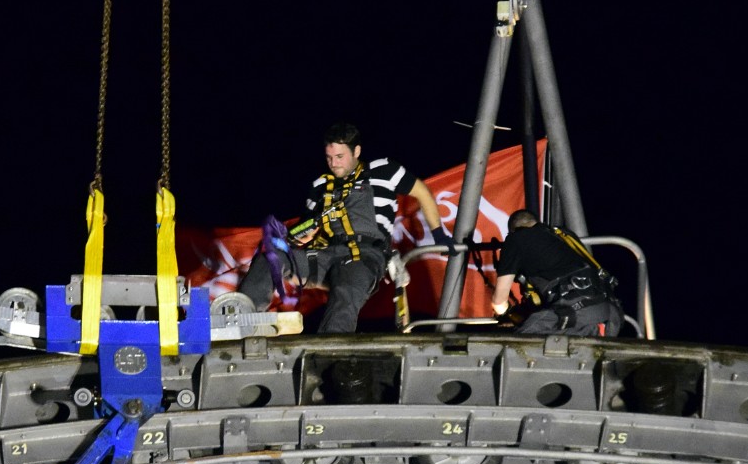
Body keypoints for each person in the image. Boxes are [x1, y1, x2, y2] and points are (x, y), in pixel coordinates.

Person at [238, 122, 451, 333]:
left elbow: (422, 192)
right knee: (271, 257)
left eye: (340, 157)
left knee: (345, 289)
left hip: (364, 256)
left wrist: (439, 235)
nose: (334, 164)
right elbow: (308, 234)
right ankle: (241, 321)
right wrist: (300, 236)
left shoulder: (383, 170)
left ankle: (328, 350)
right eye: (329, 158)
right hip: (327, 255)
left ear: (356, 151)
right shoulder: (320, 187)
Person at [491, 209, 623, 336]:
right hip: (609, 314)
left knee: (518, 343)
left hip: (574, 313)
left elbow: (499, 302)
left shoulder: (515, 240)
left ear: (512, 231)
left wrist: (507, 313)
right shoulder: (562, 234)